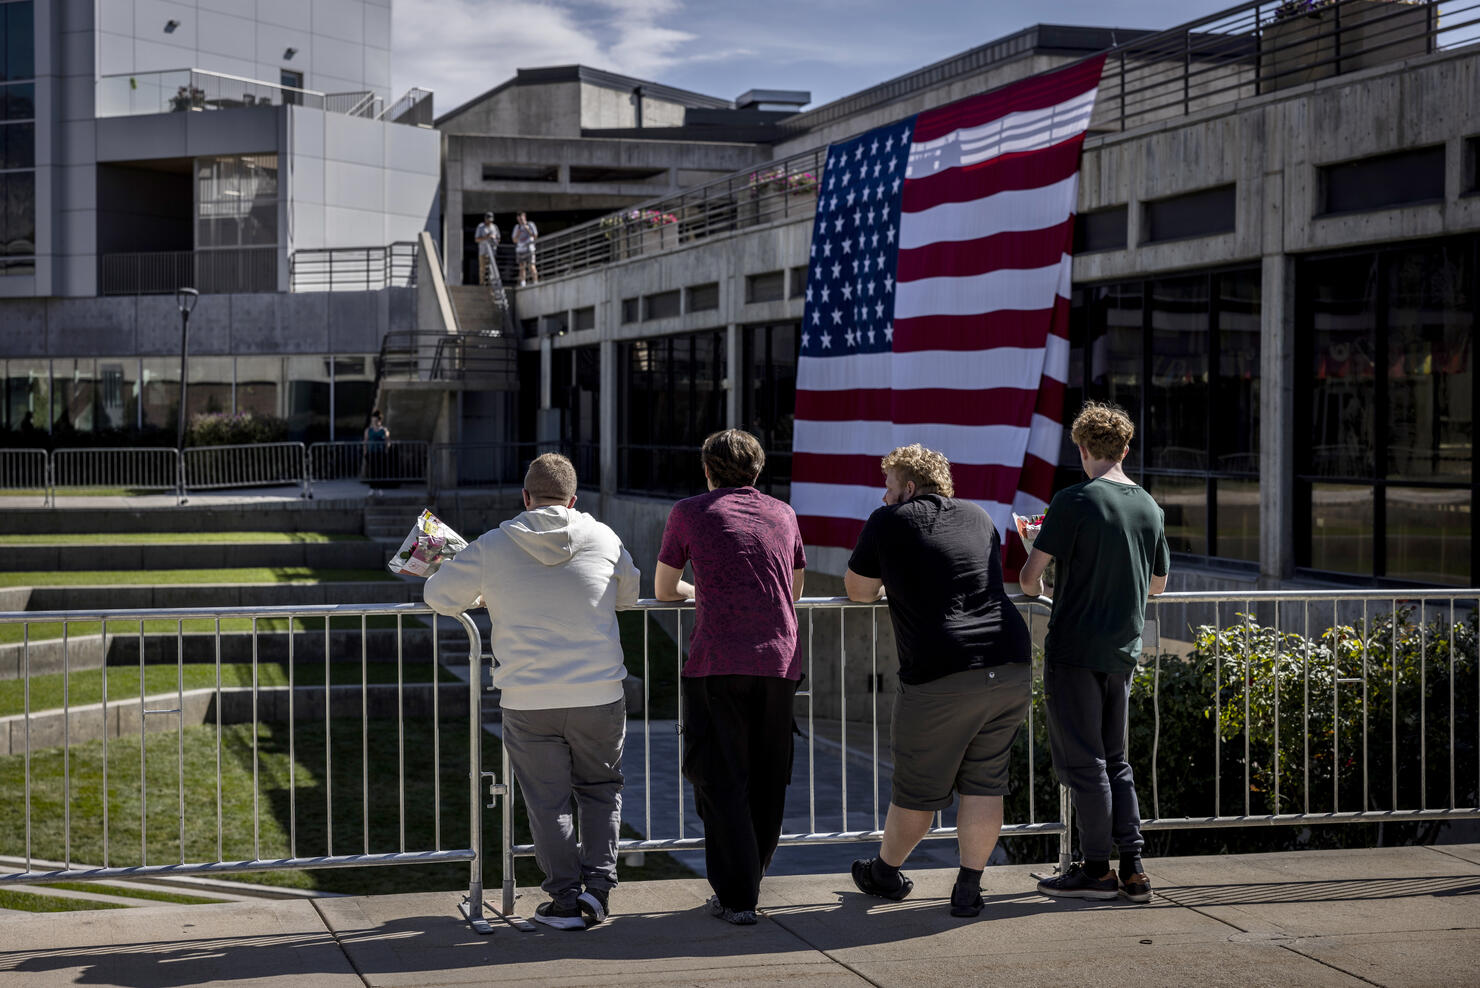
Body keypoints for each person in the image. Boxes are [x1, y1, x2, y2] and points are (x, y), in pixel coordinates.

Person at [424, 452, 639, 931]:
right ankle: (599, 891)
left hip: (528, 697)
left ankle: (565, 901)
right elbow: (628, 595)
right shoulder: (603, 535)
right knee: (602, 791)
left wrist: (484, 595)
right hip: (599, 692)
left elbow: (438, 597)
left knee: (548, 802)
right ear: (573, 499)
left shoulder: (493, 544)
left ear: (526, 497)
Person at [843, 444, 1031, 918]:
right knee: (985, 784)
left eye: (889, 488)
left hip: (941, 670)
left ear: (908, 488)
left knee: (918, 788)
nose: (884, 498)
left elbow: (859, 590)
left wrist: (894, 583)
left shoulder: (887, 521)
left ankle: (884, 873)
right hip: (1008, 660)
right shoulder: (980, 515)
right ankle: (968, 889)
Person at [1018, 401, 1169, 905]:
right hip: (1121, 648)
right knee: (1116, 761)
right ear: (1126, 449)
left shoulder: (1073, 500)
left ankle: (1097, 870)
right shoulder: (1150, 505)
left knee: (1085, 765)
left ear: (1082, 449)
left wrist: (1038, 549)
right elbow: (1160, 584)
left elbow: (1028, 579)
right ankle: (1133, 867)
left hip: (1075, 647)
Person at [654, 429, 805, 926]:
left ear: (707, 470)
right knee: (768, 778)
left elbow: (664, 588)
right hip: (779, 662)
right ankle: (748, 881)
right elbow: (794, 586)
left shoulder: (688, 512)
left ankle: (739, 896)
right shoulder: (783, 513)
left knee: (721, 779)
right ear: (758, 471)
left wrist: (706, 591)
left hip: (718, 662)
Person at [362, 409, 390, 497]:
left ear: (380, 420)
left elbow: (388, 441)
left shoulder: (384, 430)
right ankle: (372, 488)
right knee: (372, 471)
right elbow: (365, 441)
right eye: (373, 420)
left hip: (380, 452)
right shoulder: (368, 430)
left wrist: (386, 449)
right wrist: (365, 452)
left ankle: (380, 488)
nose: (375, 422)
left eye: (376, 420)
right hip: (371, 452)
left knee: (380, 471)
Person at [474, 212, 501, 286]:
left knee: (491, 269)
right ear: (485, 219)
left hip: (492, 252)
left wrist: (494, 239)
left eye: (491, 220)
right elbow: (476, 239)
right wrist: (487, 237)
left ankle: (490, 284)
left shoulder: (494, 227)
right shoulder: (480, 227)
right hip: (483, 251)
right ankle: (482, 283)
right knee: (483, 268)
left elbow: (498, 239)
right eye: (488, 219)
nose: (489, 221)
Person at [513, 212, 539, 286]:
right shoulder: (517, 227)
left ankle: (535, 281)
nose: (520, 220)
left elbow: (535, 236)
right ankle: (523, 283)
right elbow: (514, 240)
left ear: (524, 216)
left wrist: (528, 230)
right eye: (519, 219)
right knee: (522, 267)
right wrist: (518, 233)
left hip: (530, 249)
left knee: (532, 265)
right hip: (520, 249)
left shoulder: (530, 225)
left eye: (521, 218)